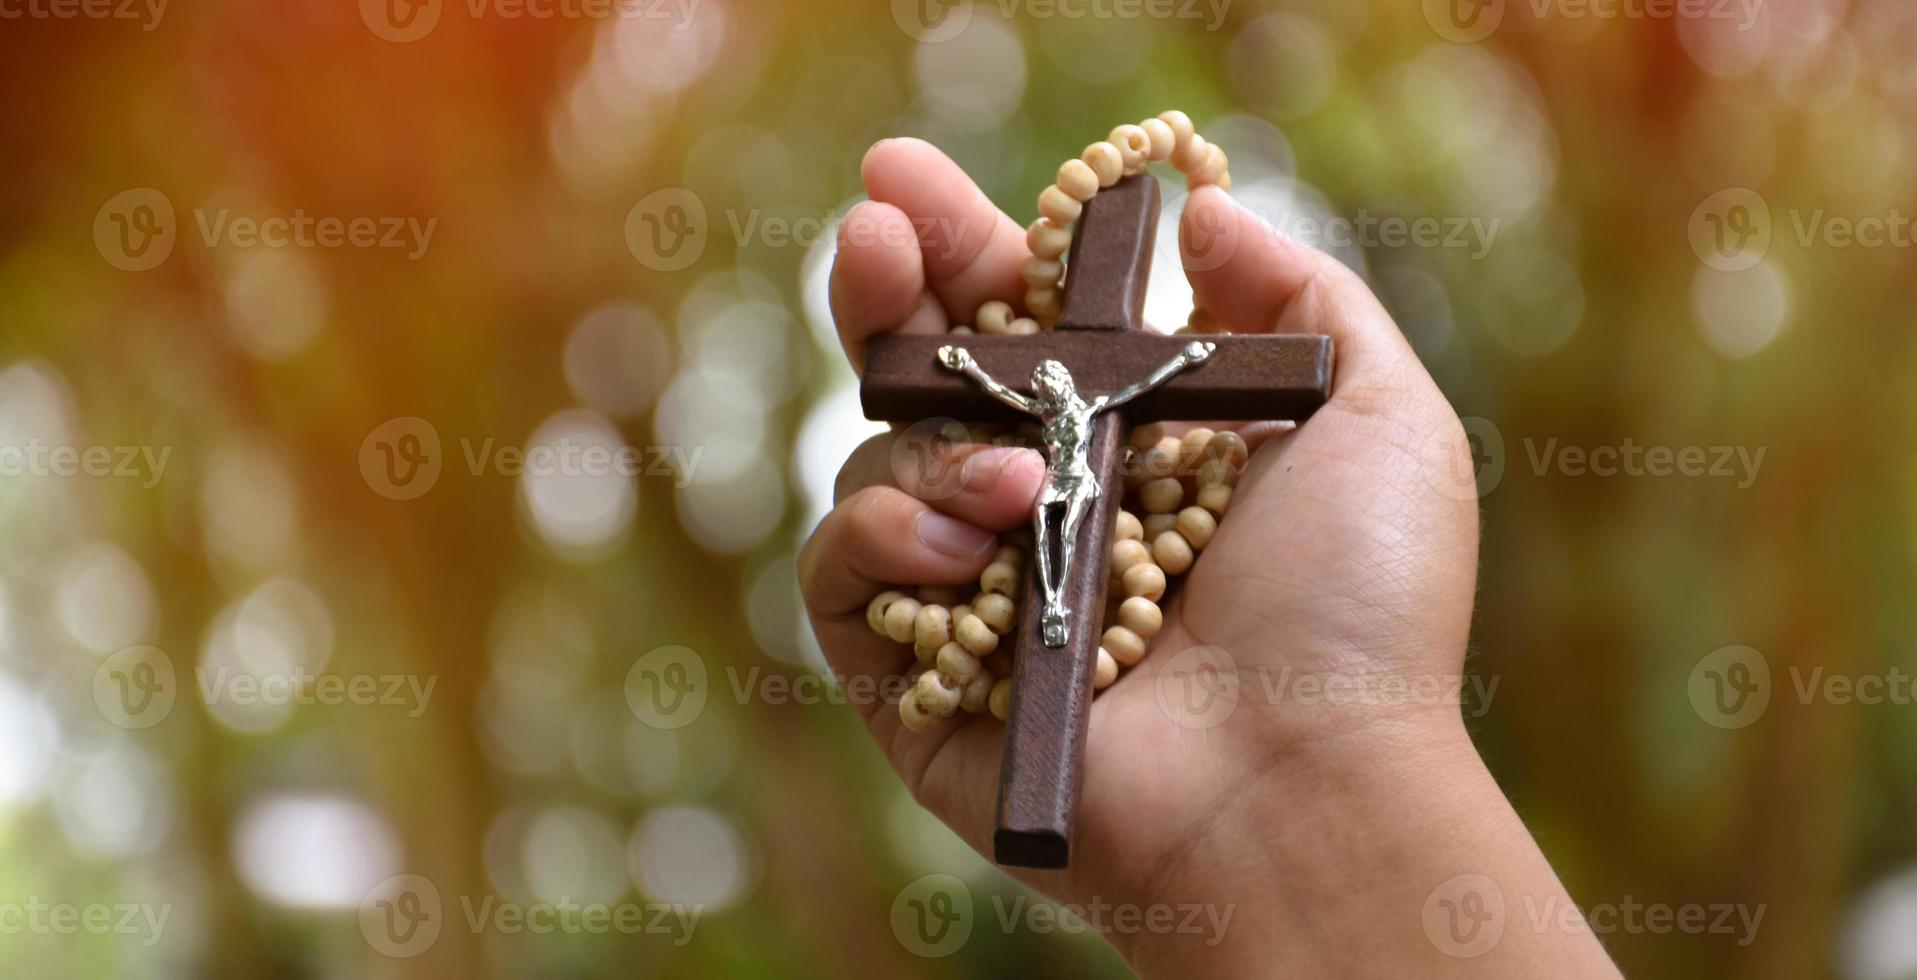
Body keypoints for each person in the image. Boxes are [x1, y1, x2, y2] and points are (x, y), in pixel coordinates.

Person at [799, 137, 1621, 977]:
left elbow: (1121, 386)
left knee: (1055, 562)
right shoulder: (1037, 390)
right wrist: (970, 365)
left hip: (1082, 486)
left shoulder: (1111, 388)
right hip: (1054, 495)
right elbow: (997, 387)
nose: (1054, 393)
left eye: (1051, 388)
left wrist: (1325, 744)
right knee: (1046, 561)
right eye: (1043, 391)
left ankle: (1052, 611)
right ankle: (1051, 613)